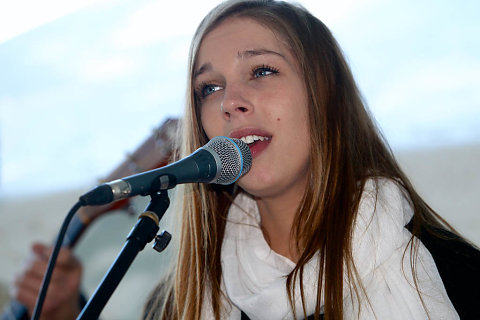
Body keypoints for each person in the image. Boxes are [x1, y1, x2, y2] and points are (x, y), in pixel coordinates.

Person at [8, 0, 478, 319]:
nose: (230, 101)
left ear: (326, 99)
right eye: (209, 88)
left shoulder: (454, 274)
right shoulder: (180, 303)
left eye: (262, 70)